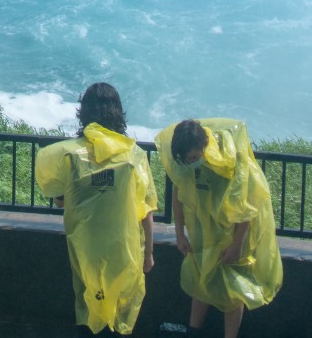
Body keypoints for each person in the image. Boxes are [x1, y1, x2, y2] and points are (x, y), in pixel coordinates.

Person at [34, 84, 156, 335]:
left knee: (90, 299)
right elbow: (146, 210)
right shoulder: (134, 155)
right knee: (121, 304)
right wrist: (149, 253)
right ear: (118, 112)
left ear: (84, 112)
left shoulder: (72, 154)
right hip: (124, 244)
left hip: (86, 243)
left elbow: (60, 200)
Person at [154, 118, 282, 338]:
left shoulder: (232, 160)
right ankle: (194, 332)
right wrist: (179, 233)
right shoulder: (186, 162)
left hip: (235, 232)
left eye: (195, 157)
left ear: (205, 147)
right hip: (206, 231)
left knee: (233, 289)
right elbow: (178, 193)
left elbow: (247, 204)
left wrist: (237, 244)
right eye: (187, 160)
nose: (191, 162)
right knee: (200, 280)